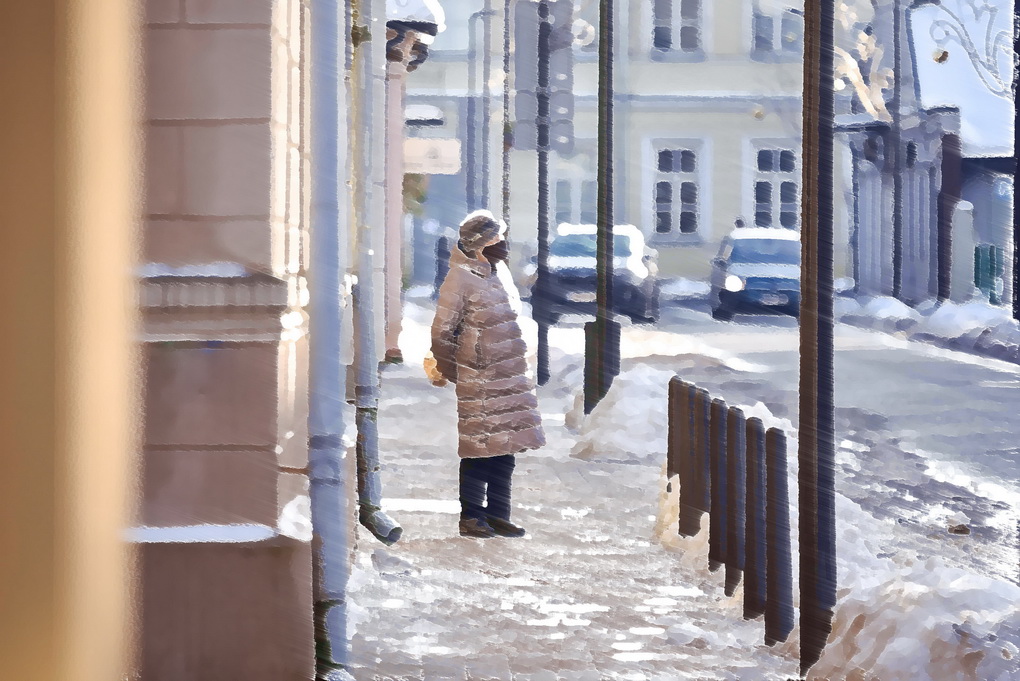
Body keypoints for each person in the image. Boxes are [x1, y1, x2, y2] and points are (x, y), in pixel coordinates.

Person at [429, 210, 546, 538]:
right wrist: (456, 369)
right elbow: (442, 332)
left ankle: (497, 514)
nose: (503, 245)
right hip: (479, 376)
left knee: (505, 449)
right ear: (480, 243)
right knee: (478, 449)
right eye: (496, 240)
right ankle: (471, 516)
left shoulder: (500, 272)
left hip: (510, 374)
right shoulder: (459, 278)